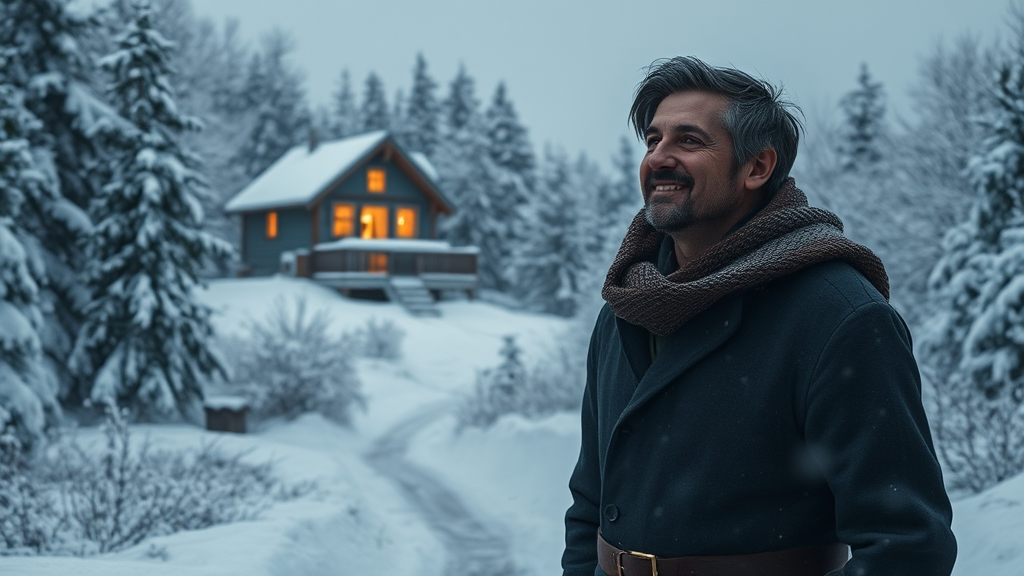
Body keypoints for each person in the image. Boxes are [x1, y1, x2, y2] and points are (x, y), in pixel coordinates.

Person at [562, 56, 956, 576]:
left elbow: (908, 546)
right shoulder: (626, 307)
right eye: (653, 140)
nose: (659, 157)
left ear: (758, 167)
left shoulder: (840, 317)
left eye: (689, 140)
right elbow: (590, 500)